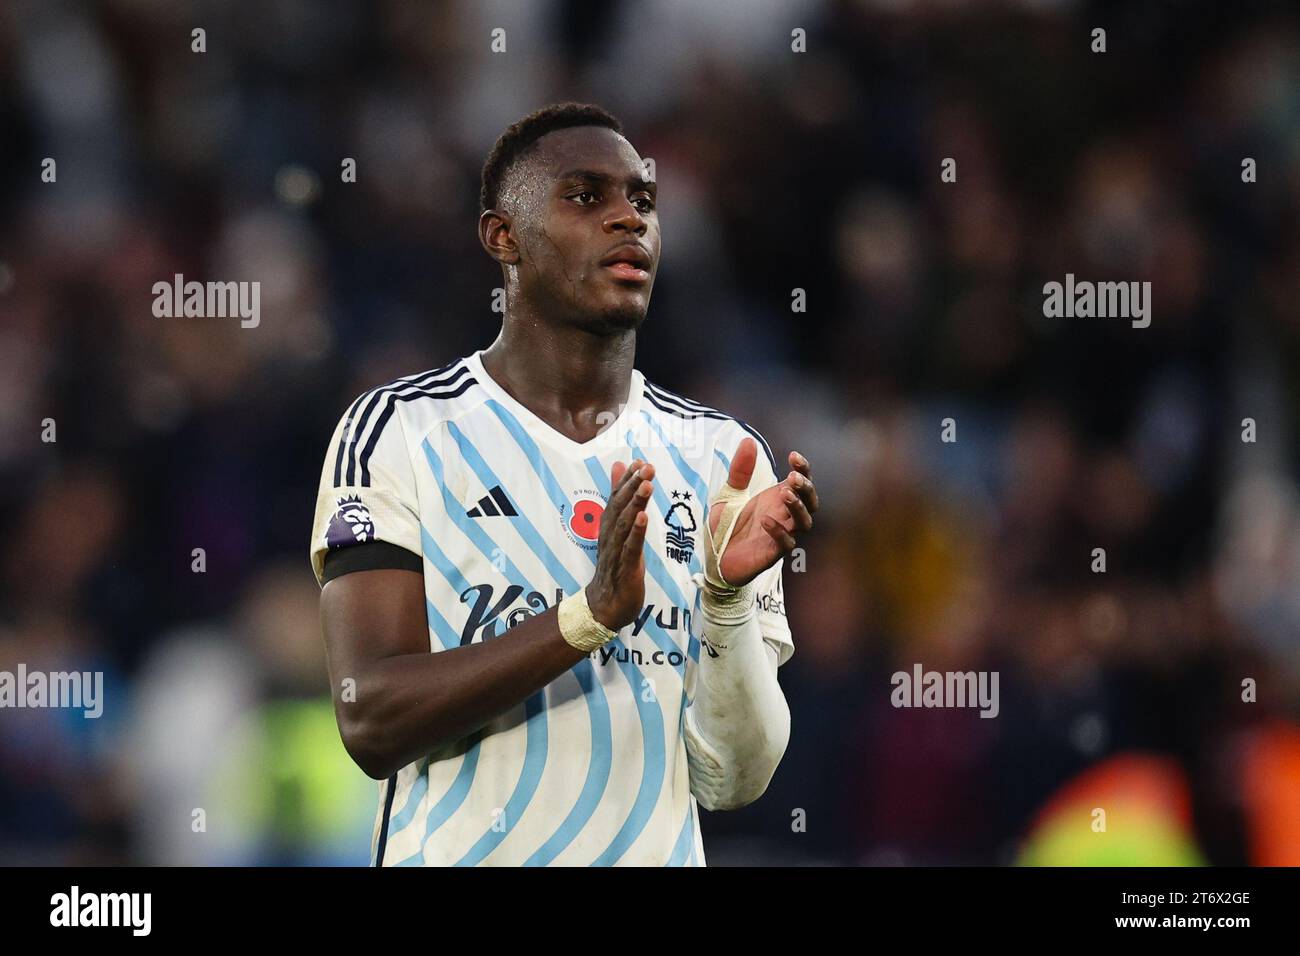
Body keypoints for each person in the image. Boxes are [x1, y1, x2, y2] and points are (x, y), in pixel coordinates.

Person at [310, 102, 819, 866]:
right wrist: (586, 618)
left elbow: (734, 780)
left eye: (642, 200)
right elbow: (369, 721)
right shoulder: (399, 432)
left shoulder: (724, 459)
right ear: (502, 237)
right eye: (586, 196)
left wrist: (724, 601)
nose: (628, 219)